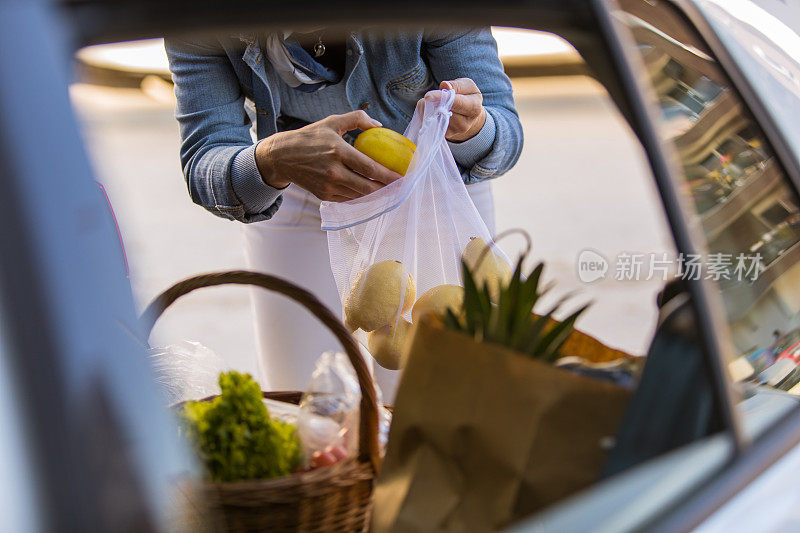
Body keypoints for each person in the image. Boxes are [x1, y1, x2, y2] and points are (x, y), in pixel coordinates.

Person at [165, 27, 523, 398]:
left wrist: (473, 129)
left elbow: (506, 131)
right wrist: (273, 159)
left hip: (431, 196)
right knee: (306, 401)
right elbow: (204, 160)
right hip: (299, 196)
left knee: (439, 405)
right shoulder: (200, 14)